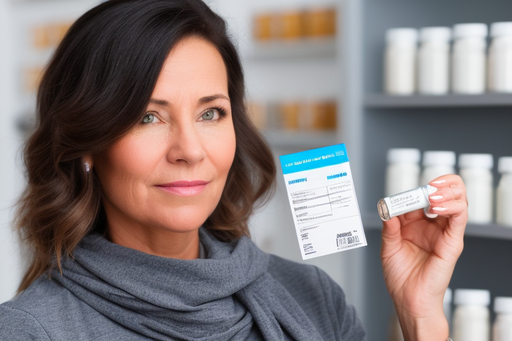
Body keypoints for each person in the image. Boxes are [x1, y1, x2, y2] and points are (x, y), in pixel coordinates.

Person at [0, 0, 467, 340]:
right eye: (148, 116)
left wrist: (420, 315)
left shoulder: (311, 294)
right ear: (87, 145)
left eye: (210, 114)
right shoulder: (32, 330)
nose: (190, 150)